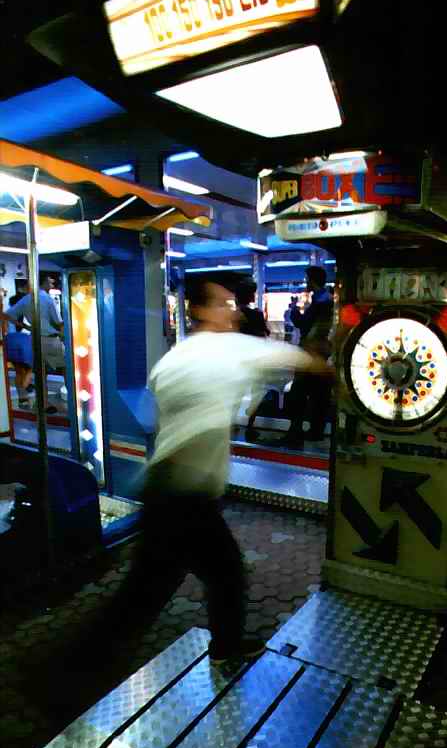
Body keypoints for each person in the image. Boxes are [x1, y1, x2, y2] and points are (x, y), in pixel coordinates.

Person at [88, 273, 333, 665]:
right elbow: (300, 360)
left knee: (154, 586)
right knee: (221, 574)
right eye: (223, 304)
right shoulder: (229, 350)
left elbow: (160, 400)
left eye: (232, 304)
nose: (231, 313)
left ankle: (84, 660)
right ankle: (221, 650)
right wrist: (331, 359)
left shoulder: (175, 358)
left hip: (165, 486)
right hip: (187, 492)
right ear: (198, 310)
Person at [277, 265, 334, 448]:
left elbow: (303, 324)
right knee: (319, 395)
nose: (305, 282)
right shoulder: (325, 299)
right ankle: (315, 432)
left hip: (310, 353)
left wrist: (294, 310)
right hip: (321, 353)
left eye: (307, 279)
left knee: (298, 394)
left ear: (312, 280)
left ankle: (295, 434)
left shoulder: (321, 302)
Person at [0, 272, 65, 414]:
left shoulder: (26, 299)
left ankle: (43, 403)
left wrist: (27, 327)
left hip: (35, 340)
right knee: (67, 370)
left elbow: (7, 315)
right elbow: (58, 322)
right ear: (43, 282)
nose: (52, 282)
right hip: (51, 340)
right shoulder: (47, 299)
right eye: (50, 280)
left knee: (40, 374)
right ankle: (73, 401)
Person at [236, 278, 269, 442]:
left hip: (238, 359)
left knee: (236, 393)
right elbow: (265, 333)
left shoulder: (234, 315)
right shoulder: (256, 314)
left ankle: (230, 424)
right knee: (257, 392)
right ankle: (250, 425)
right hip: (255, 359)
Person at [3, 288, 33, 408]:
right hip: (24, 345)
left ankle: (22, 397)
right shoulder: (27, 315)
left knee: (19, 372)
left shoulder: (7, 314)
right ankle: (24, 391)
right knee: (28, 369)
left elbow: (4, 331)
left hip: (12, 344)